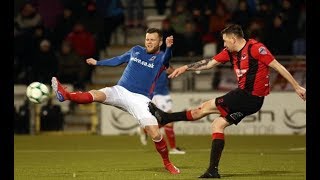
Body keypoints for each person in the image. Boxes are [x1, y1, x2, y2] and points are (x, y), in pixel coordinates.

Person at [148, 24, 306, 178]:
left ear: (234, 39)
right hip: (250, 102)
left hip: (248, 96)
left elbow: (278, 66)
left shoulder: (256, 48)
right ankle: (212, 171)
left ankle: (166, 118)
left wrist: (297, 87)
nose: (223, 44)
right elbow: (209, 63)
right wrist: (186, 67)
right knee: (218, 124)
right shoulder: (230, 52)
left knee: (204, 108)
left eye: (225, 41)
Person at [51, 28, 180, 174]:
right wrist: (98, 63)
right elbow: (118, 60)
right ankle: (65, 95)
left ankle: (167, 163)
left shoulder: (161, 58)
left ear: (160, 42)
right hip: (120, 91)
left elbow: (167, 60)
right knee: (96, 94)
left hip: (140, 100)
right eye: (147, 39)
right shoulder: (136, 50)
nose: (149, 42)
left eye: (153, 40)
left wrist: (169, 48)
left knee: (155, 134)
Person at [138, 66, 186, 155]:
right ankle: (173, 148)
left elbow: (170, 71)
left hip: (161, 94)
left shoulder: (155, 61)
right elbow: (171, 71)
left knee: (167, 120)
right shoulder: (157, 61)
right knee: (169, 120)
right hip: (159, 95)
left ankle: (145, 130)